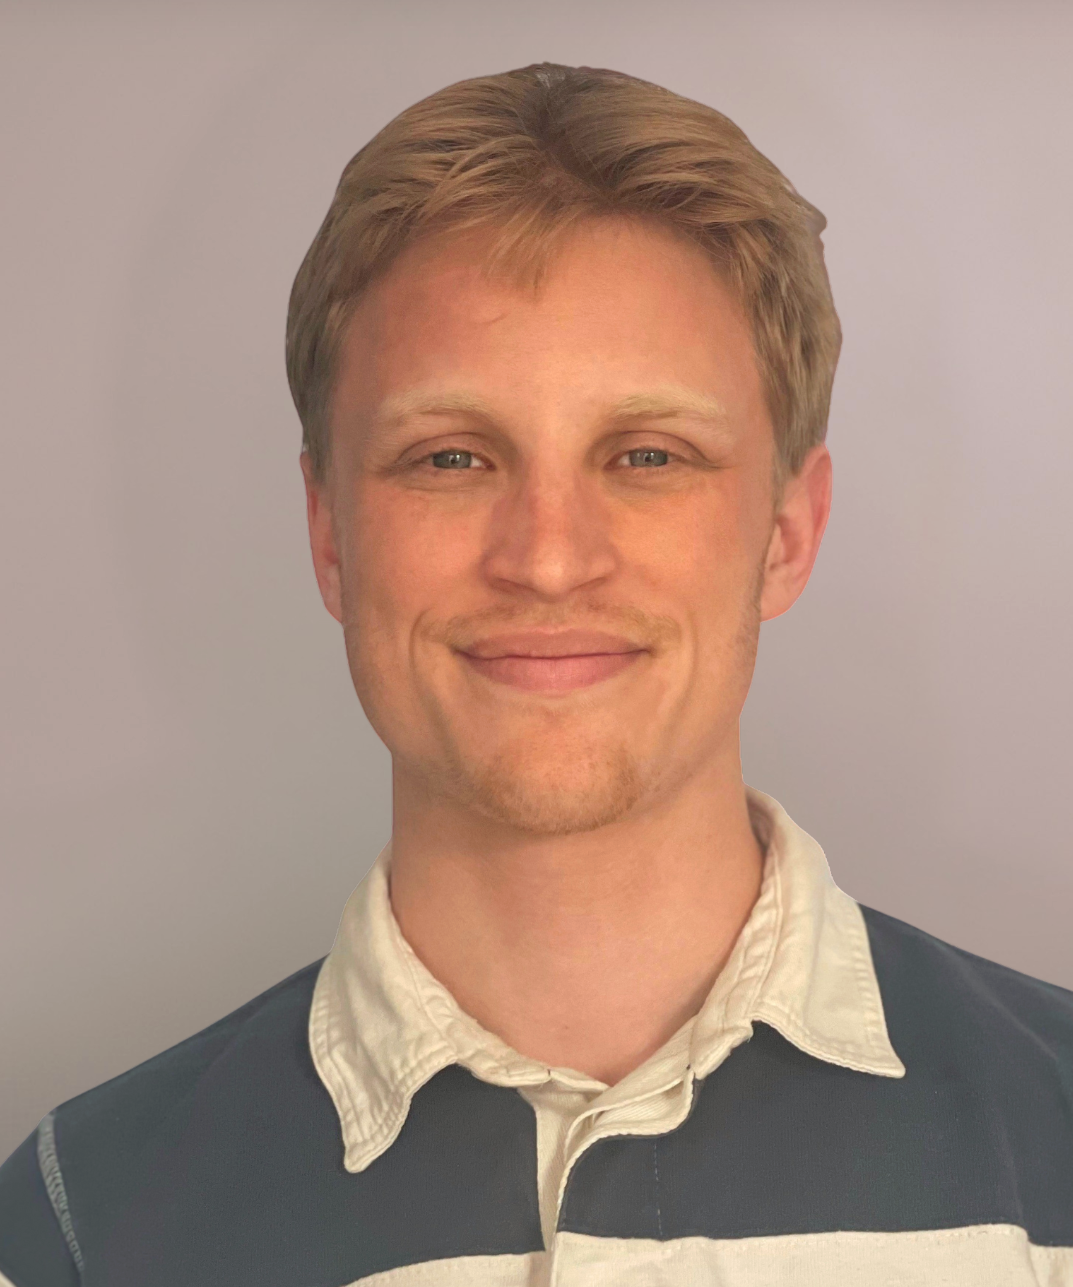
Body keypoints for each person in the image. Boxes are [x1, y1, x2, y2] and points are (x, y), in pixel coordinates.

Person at [1, 60, 1070, 1287]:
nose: (548, 559)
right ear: (330, 536)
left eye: (647, 455)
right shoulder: (72, 1233)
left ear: (785, 532)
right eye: (451, 456)